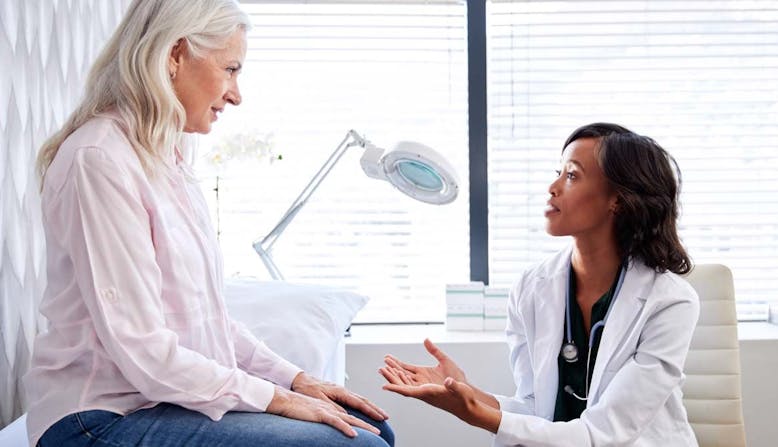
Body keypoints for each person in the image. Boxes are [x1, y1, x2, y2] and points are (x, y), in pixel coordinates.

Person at [24, 1, 394, 446]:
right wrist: (276, 399)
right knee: (357, 444)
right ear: (175, 54)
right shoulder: (100, 160)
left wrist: (296, 380)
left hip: (158, 403)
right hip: (98, 419)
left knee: (371, 427)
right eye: (230, 70)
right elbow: (144, 350)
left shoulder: (167, 161)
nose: (236, 95)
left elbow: (208, 322)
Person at [380, 123, 700, 446]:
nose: (552, 187)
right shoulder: (530, 288)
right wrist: (465, 393)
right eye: (558, 173)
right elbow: (535, 410)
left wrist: (475, 412)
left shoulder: (670, 303)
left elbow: (603, 434)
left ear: (616, 199)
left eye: (571, 175)